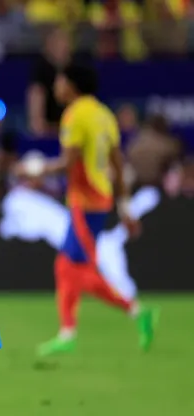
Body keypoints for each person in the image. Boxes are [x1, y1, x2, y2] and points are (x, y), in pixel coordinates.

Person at [14, 62, 158, 357]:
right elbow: (118, 165)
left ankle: (133, 310)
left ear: (71, 85)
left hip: (86, 201)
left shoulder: (75, 115)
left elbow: (67, 164)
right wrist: (125, 208)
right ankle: (71, 330)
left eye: (61, 80)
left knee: (79, 271)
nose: (56, 86)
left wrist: (35, 168)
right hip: (99, 200)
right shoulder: (105, 115)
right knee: (67, 267)